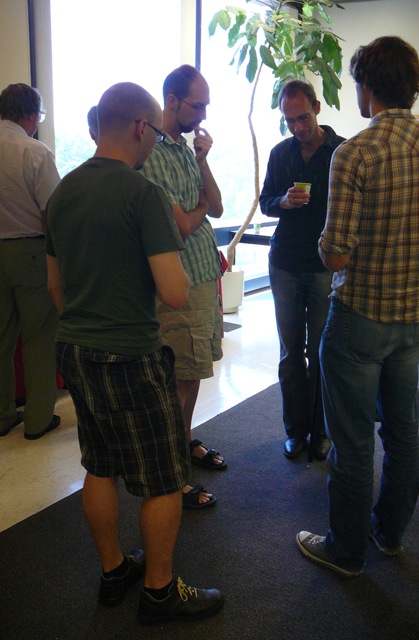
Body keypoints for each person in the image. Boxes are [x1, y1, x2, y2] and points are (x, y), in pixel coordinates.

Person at [45, 81, 224, 623]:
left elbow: (56, 287)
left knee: (99, 466)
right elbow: (174, 291)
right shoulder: (142, 194)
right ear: (142, 127)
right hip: (132, 354)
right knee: (165, 477)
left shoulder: (63, 192)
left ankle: (114, 571)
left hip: (75, 349)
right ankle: (160, 592)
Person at [296, 36, 419, 576]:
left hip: (358, 321)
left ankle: (345, 552)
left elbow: (336, 255)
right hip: (411, 321)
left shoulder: (355, 152)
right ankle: (389, 535)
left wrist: (329, 246)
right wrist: (412, 272)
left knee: (351, 443)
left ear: (367, 87)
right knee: (402, 433)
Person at [141, 65, 226, 510]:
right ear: (171, 101)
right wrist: (200, 207)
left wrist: (203, 160)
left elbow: (217, 205)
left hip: (203, 276)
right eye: (198, 105)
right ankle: (170, 474)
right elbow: (180, 226)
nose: (204, 113)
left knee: (191, 375)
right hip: (180, 282)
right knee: (177, 380)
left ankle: (184, 442)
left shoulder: (183, 150)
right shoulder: (152, 152)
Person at [259, 79, 345, 461]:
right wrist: (283, 201)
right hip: (286, 263)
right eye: (290, 120)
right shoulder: (281, 153)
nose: (297, 127)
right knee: (291, 354)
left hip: (325, 265)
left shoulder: (342, 151)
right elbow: (265, 201)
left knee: (321, 352)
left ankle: (321, 432)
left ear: (317, 108)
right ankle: (295, 431)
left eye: (303, 118)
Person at [0, 82, 61, 440]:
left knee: (1, 340)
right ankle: (38, 420)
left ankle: (2, 416)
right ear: (30, 115)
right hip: (32, 253)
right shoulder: (35, 152)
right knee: (38, 338)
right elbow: (51, 213)